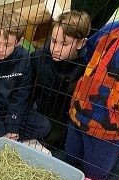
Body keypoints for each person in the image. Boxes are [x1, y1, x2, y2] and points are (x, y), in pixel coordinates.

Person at [0, 10, 50, 150]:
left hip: (13, 111)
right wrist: (1, 131)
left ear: (18, 42)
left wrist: (12, 125)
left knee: (44, 127)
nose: (0, 49)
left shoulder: (25, 58)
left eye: (7, 45)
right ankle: (7, 140)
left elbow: (22, 96)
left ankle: (6, 139)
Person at [66, 20, 119, 180]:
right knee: (70, 158)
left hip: (110, 124)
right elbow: (88, 50)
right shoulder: (111, 28)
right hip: (81, 109)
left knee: (95, 175)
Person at [31, 10, 91, 149]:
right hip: (40, 105)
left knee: (57, 140)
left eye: (64, 44)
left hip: (64, 110)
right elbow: (28, 88)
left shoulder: (86, 65)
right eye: (53, 41)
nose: (56, 49)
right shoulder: (39, 56)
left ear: (81, 43)